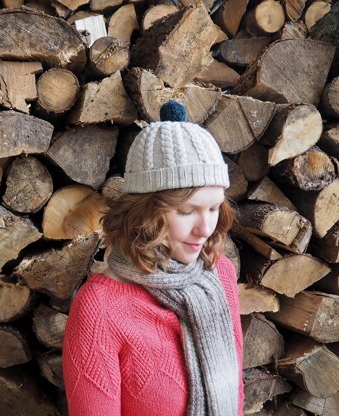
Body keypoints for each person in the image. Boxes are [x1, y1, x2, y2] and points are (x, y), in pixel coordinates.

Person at [62, 101, 244, 416]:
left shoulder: (219, 276)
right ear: (145, 213)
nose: (205, 229)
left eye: (214, 208)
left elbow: (236, 393)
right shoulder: (99, 308)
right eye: (186, 211)